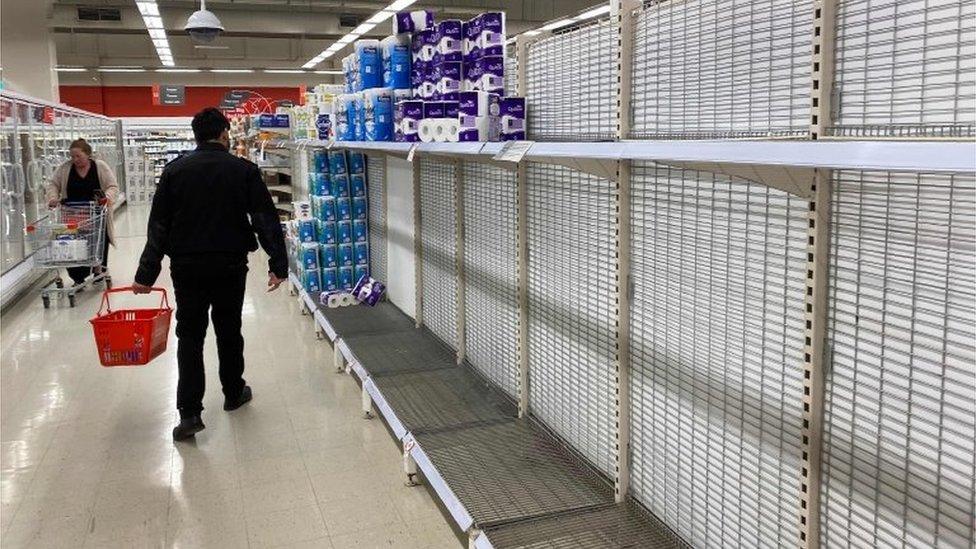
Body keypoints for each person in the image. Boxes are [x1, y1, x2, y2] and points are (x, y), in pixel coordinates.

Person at [132, 107, 288, 441]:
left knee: (190, 336)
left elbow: (159, 225)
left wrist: (146, 274)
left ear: (195, 135)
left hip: (187, 267)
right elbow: (264, 217)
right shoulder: (242, 170)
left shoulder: (175, 172)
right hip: (230, 265)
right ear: (222, 133)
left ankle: (189, 414)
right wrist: (278, 264)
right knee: (229, 330)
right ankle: (233, 392)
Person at [46, 138, 118, 287]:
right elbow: (53, 184)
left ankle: (99, 270)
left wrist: (107, 198)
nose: (75, 159)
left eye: (78, 156)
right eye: (72, 156)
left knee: (98, 243)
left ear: (88, 154)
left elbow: (112, 186)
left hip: (96, 214)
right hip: (72, 215)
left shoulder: (100, 167)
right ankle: (78, 277)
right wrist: (53, 198)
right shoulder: (65, 169)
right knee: (73, 245)